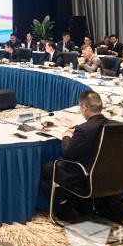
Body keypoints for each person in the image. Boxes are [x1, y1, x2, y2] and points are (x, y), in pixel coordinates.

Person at [40, 91, 109, 220]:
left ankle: (64, 208)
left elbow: (67, 153)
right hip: (105, 173)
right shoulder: (111, 124)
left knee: (45, 170)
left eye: (80, 107)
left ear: (85, 107)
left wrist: (66, 136)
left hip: (82, 173)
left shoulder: (83, 130)